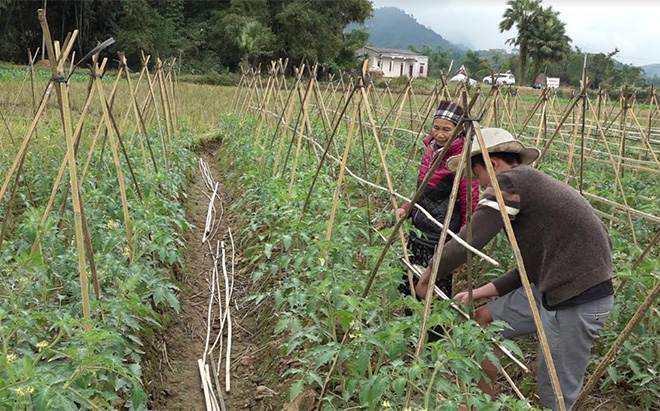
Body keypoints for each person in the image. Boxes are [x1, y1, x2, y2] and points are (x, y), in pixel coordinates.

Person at [415, 128, 614, 410]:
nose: (480, 184)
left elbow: (471, 239)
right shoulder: (529, 187)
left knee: (556, 390)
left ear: (493, 165)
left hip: (578, 297)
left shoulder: (510, 182)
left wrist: (431, 272)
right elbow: (530, 268)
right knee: (485, 321)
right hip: (549, 286)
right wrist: (477, 293)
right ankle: (484, 403)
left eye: (479, 174)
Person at [397, 100, 479, 297]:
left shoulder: (461, 158)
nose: (440, 134)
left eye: (447, 129)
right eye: (436, 127)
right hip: (419, 231)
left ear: (458, 130)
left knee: (433, 292)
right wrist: (407, 208)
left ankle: (436, 329)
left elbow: (470, 203)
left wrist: (462, 244)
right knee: (410, 284)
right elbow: (423, 192)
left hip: (440, 236)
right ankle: (410, 326)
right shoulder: (431, 150)